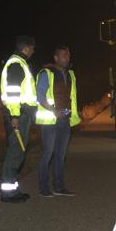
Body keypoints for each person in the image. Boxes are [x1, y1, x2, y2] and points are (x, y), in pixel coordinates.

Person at [35, 45, 81, 197]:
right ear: (55, 58)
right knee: (48, 153)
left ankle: (59, 187)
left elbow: (71, 97)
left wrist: (71, 113)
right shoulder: (45, 74)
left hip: (65, 120)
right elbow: (40, 97)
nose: (66, 58)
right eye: (63, 56)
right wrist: (55, 111)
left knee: (61, 155)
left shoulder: (70, 74)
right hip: (50, 122)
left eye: (68, 55)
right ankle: (43, 188)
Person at [0, 36, 38, 203]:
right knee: (15, 153)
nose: (33, 51)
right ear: (26, 48)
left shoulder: (18, 63)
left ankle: (12, 190)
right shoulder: (16, 64)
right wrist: (14, 115)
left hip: (21, 114)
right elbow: (13, 92)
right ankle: (8, 193)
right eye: (32, 48)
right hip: (19, 115)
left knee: (17, 152)